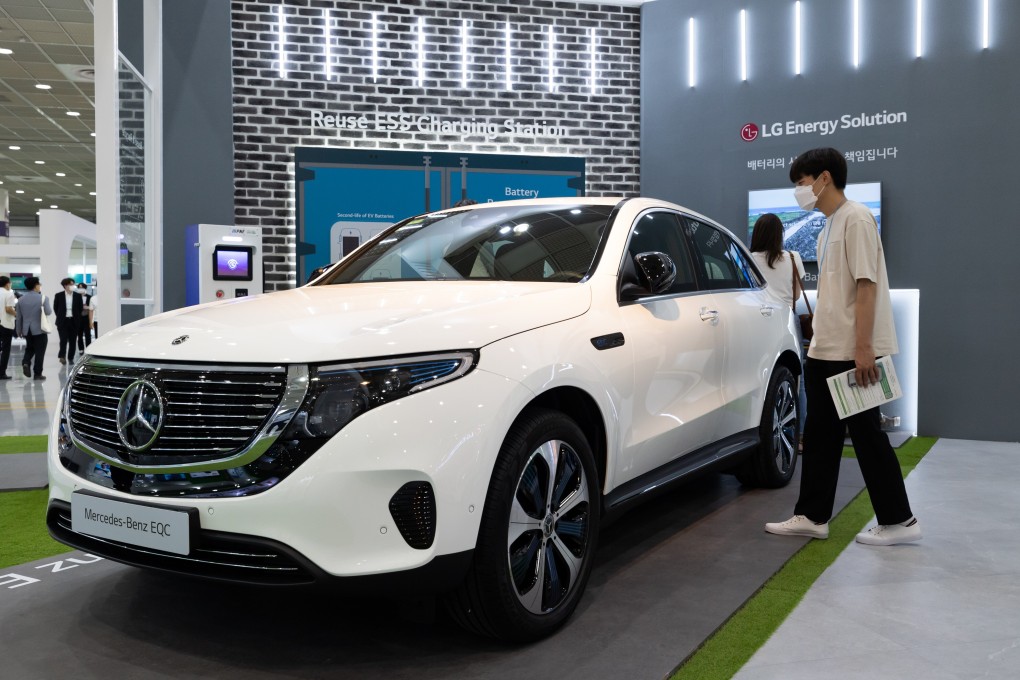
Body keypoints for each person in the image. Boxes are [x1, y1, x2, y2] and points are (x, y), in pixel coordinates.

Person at [765, 147, 920, 546]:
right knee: (819, 438)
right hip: (825, 350)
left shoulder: (857, 219)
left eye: (801, 183)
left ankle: (899, 520)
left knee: (867, 437)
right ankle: (812, 515)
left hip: (853, 352)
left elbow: (866, 286)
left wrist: (864, 347)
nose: (799, 191)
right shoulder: (828, 225)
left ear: (824, 178)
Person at [749, 213, 805, 308]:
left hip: (757, 313)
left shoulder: (747, 259)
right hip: (786, 316)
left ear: (756, 234)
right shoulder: (793, 256)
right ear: (779, 234)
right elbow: (796, 295)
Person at [14, 276, 52, 381]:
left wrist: (18, 331)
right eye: (39, 284)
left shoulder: (20, 299)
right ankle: (38, 374)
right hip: (40, 329)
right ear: (36, 286)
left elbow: (18, 317)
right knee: (40, 351)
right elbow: (48, 312)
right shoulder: (43, 298)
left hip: (27, 329)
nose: (40, 286)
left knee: (30, 348)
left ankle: (26, 362)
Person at [52, 277, 83, 365]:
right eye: (71, 284)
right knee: (63, 340)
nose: (73, 286)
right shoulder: (59, 295)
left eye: (73, 284)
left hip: (74, 320)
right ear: (65, 286)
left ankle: (70, 357)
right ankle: (62, 356)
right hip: (63, 321)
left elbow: (80, 308)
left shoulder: (77, 296)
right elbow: (56, 308)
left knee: (73, 340)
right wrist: (61, 316)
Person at [0, 276, 17, 379]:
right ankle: (2, 373)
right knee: (6, 349)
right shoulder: (9, 293)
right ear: (7, 284)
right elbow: (8, 309)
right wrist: (16, 314)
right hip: (5, 324)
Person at [76, 282, 93, 351]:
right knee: (79, 334)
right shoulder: (75, 297)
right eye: (79, 288)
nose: (80, 289)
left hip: (86, 317)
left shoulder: (89, 297)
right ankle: (81, 349)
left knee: (87, 334)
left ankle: (88, 348)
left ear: (85, 288)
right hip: (78, 317)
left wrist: (87, 307)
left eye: (82, 287)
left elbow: (92, 307)